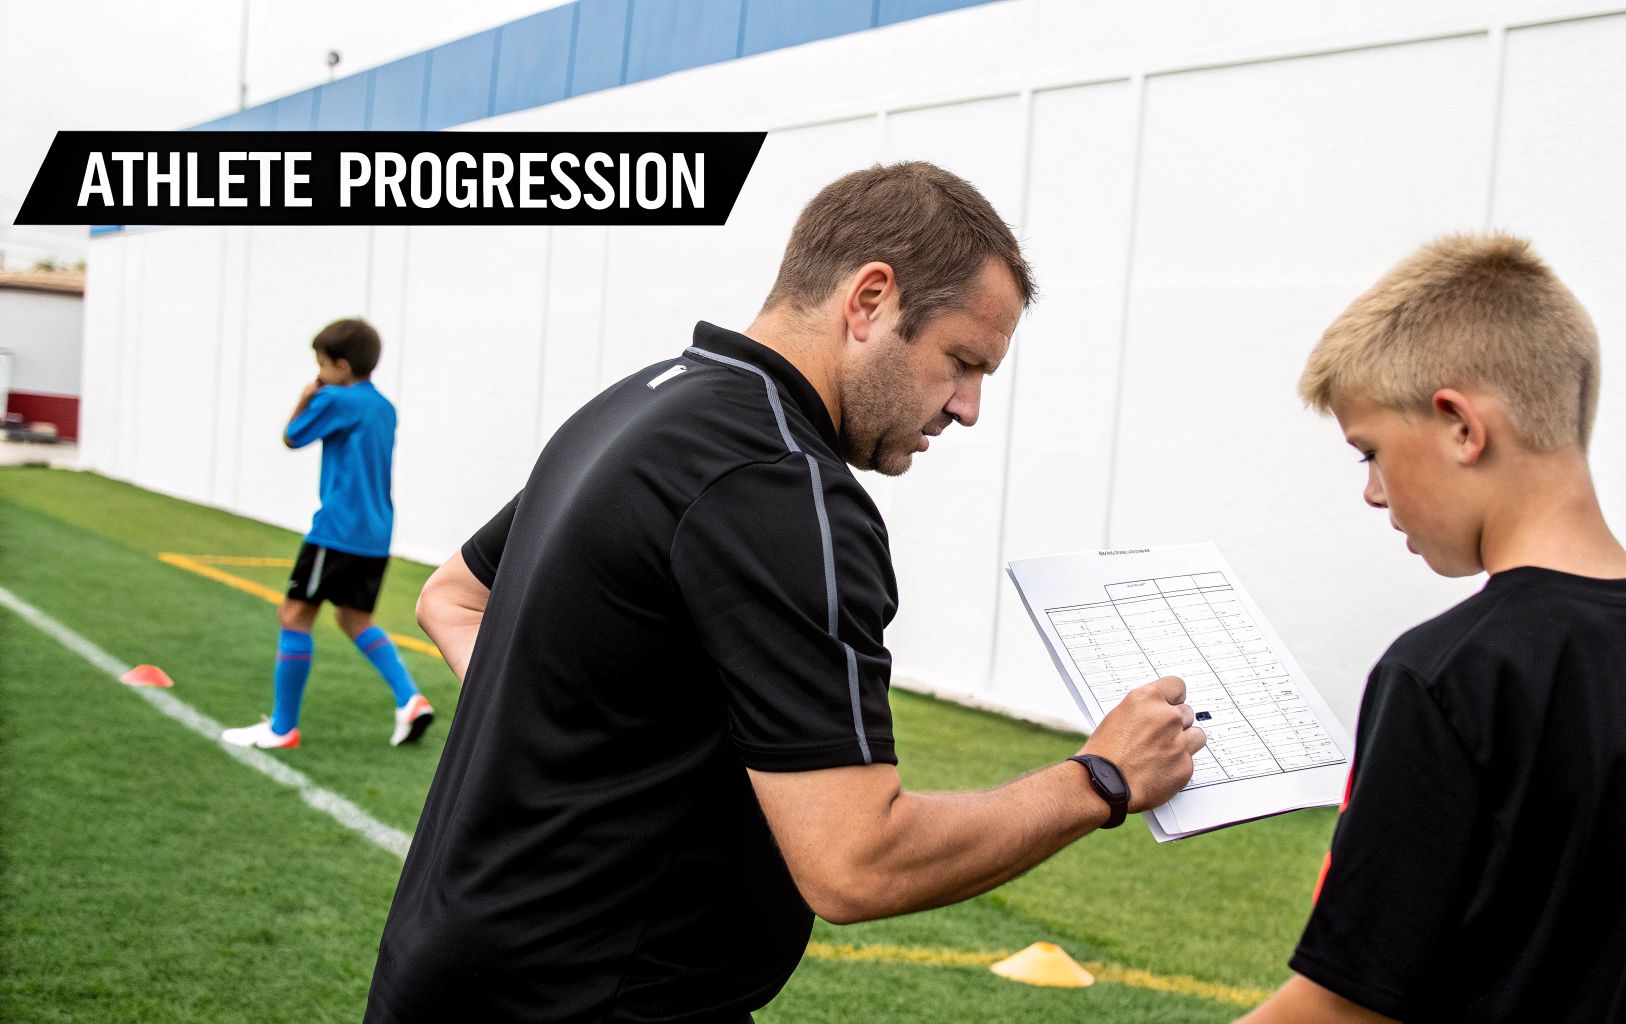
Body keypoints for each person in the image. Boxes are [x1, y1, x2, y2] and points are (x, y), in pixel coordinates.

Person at [363, 162, 1206, 1023]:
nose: (969, 407)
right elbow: (855, 863)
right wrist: (1101, 777)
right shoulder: (778, 490)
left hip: (447, 976)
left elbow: (451, 598)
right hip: (589, 1001)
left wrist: (574, 739)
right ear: (870, 299)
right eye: (962, 361)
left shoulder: (640, 403)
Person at [1238, 233, 1626, 1023]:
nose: (1371, 492)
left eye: (1370, 452)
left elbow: (1345, 1007)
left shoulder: (1447, 674)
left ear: (1463, 426)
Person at [222, 318, 434, 750]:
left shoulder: (335, 398)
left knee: (295, 615)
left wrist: (304, 401)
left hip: (338, 530)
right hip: (375, 532)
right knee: (354, 619)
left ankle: (282, 728)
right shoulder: (384, 406)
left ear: (340, 365)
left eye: (320, 365)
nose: (317, 373)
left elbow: (292, 438)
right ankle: (410, 699)